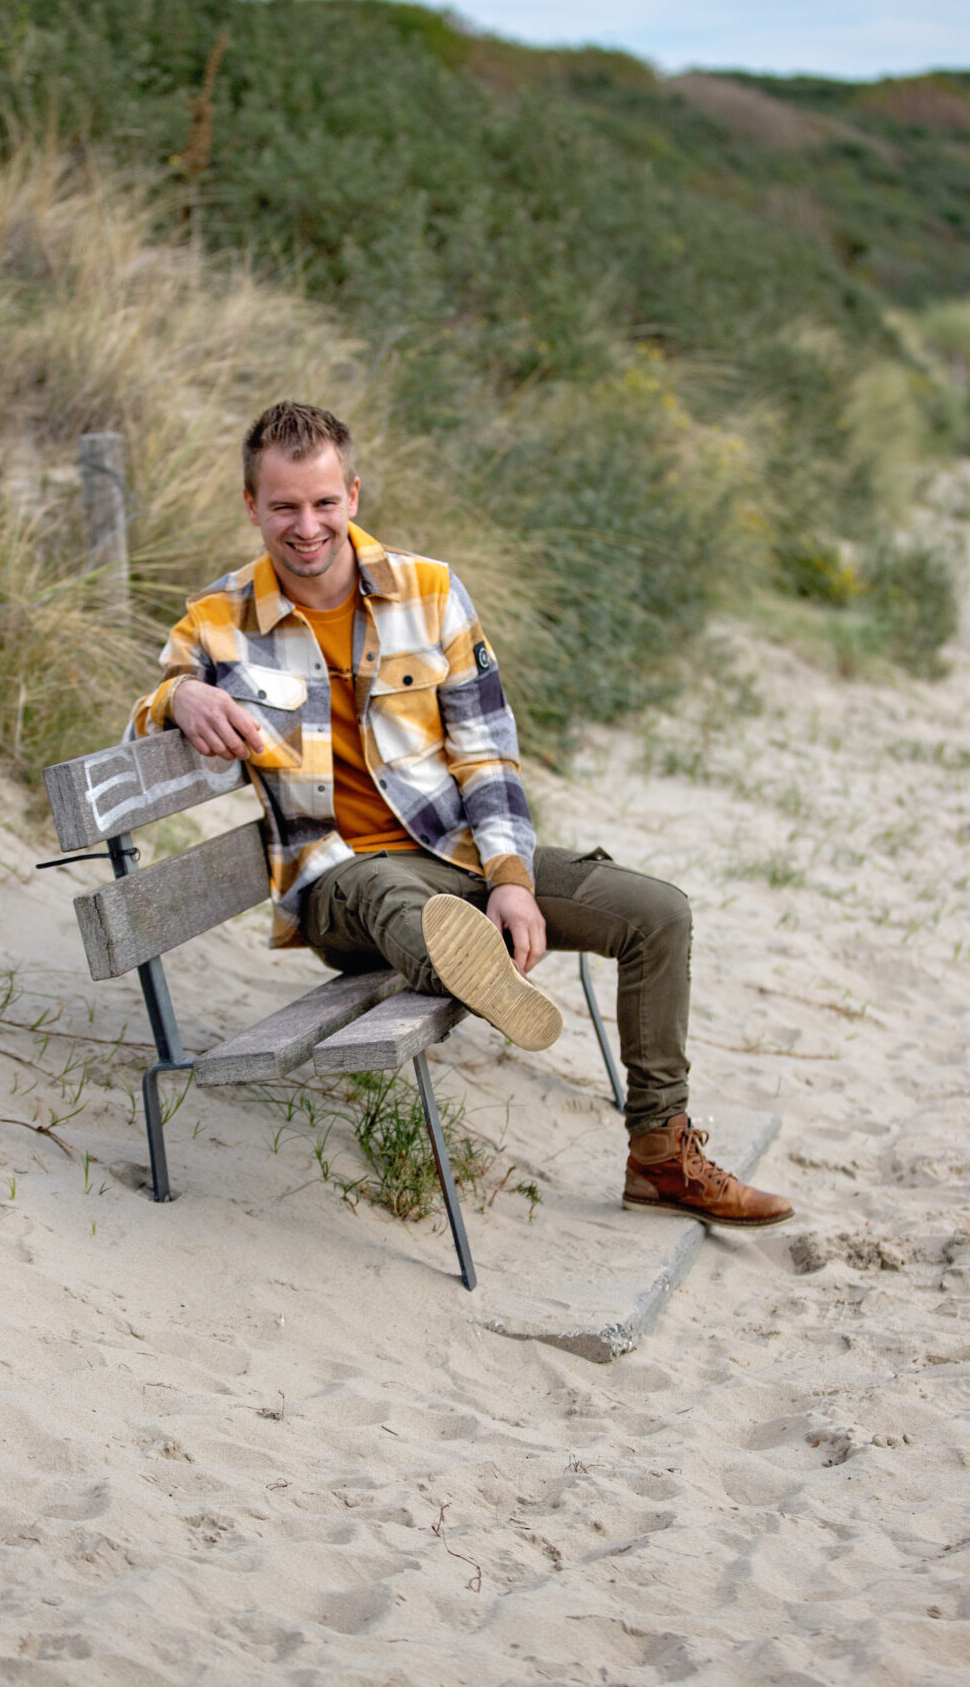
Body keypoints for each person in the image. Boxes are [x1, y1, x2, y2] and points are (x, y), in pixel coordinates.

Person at [131, 402, 792, 1229]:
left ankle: (659, 1154)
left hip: (455, 851)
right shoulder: (217, 621)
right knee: (394, 898)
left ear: (355, 494)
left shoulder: (430, 591)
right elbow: (139, 724)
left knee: (656, 913)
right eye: (285, 507)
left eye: (324, 503)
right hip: (339, 880)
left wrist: (510, 878)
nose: (307, 527)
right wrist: (179, 694)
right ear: (250, 506)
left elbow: (487, 755)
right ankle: (463, 960)